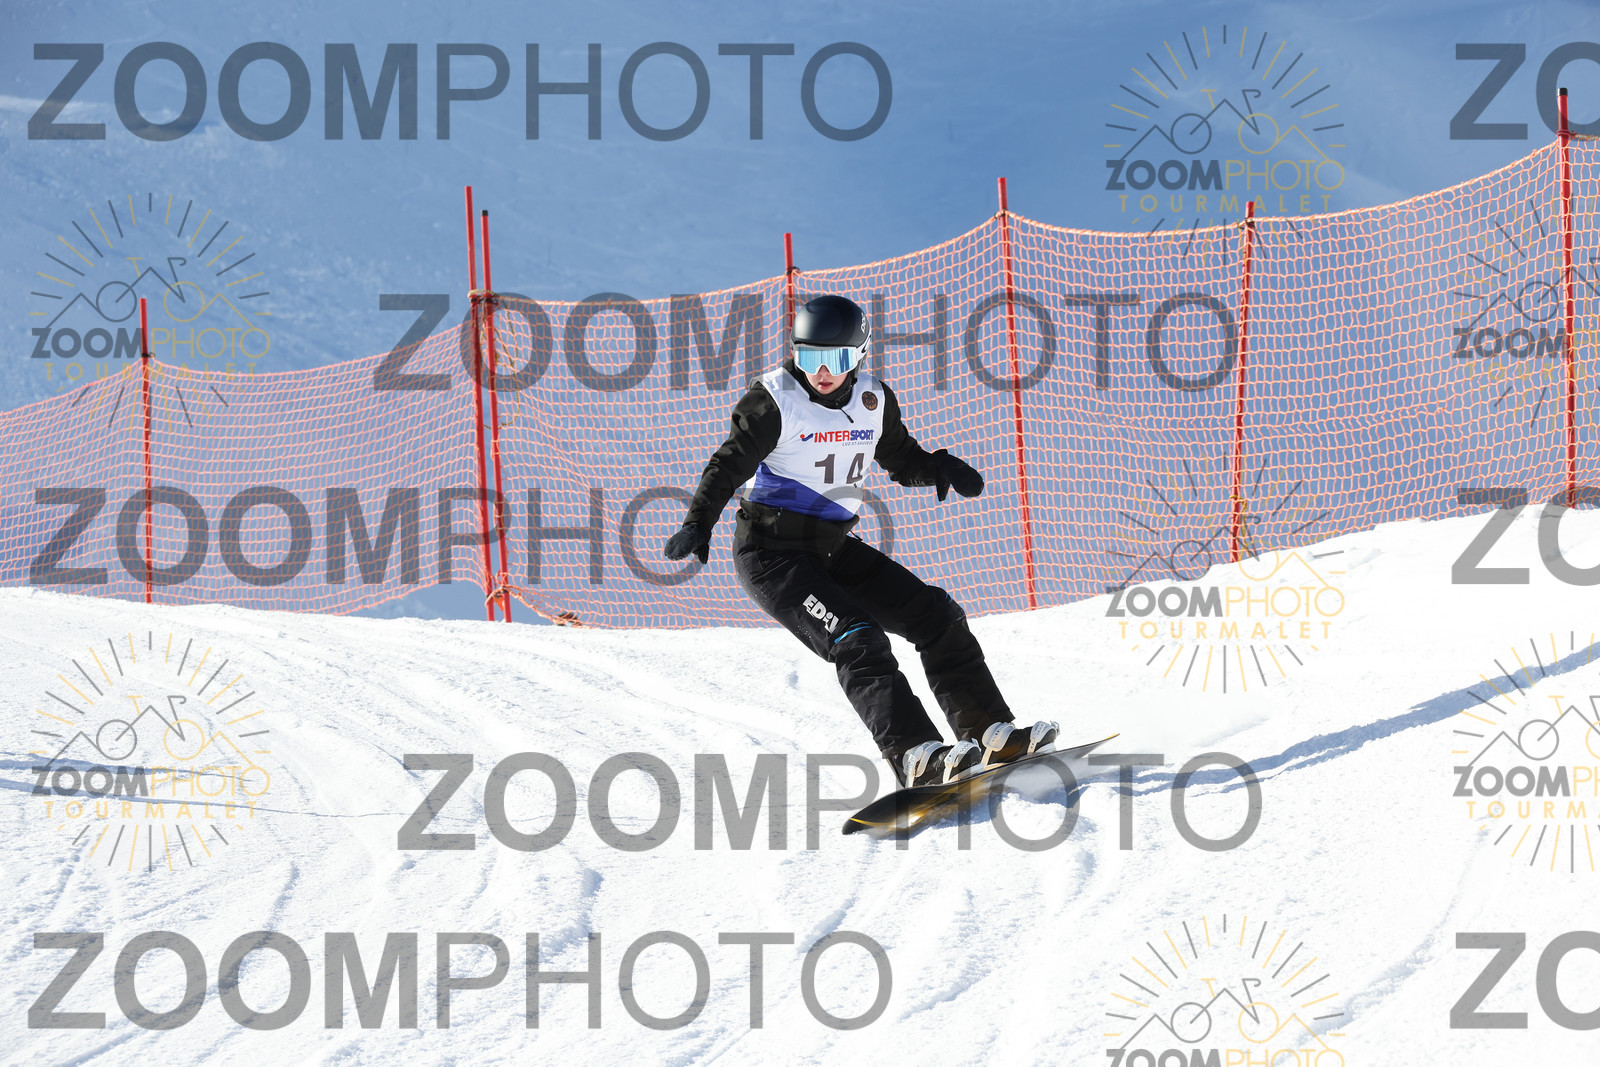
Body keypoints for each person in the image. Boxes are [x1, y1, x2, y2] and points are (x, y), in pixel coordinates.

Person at [663, 294, 1057, 789]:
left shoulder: (874, 401)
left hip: (831, 548)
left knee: (936, 614)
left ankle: (988, 734)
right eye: (810, 357)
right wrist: (699, 523)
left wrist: (938, 467)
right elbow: (728, 465)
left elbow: (902, 458)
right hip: (772, 554)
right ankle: (916, 755)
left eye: (837, 358)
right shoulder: (774, 400)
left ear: (860, 354)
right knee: (856, 636)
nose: (822, 372)